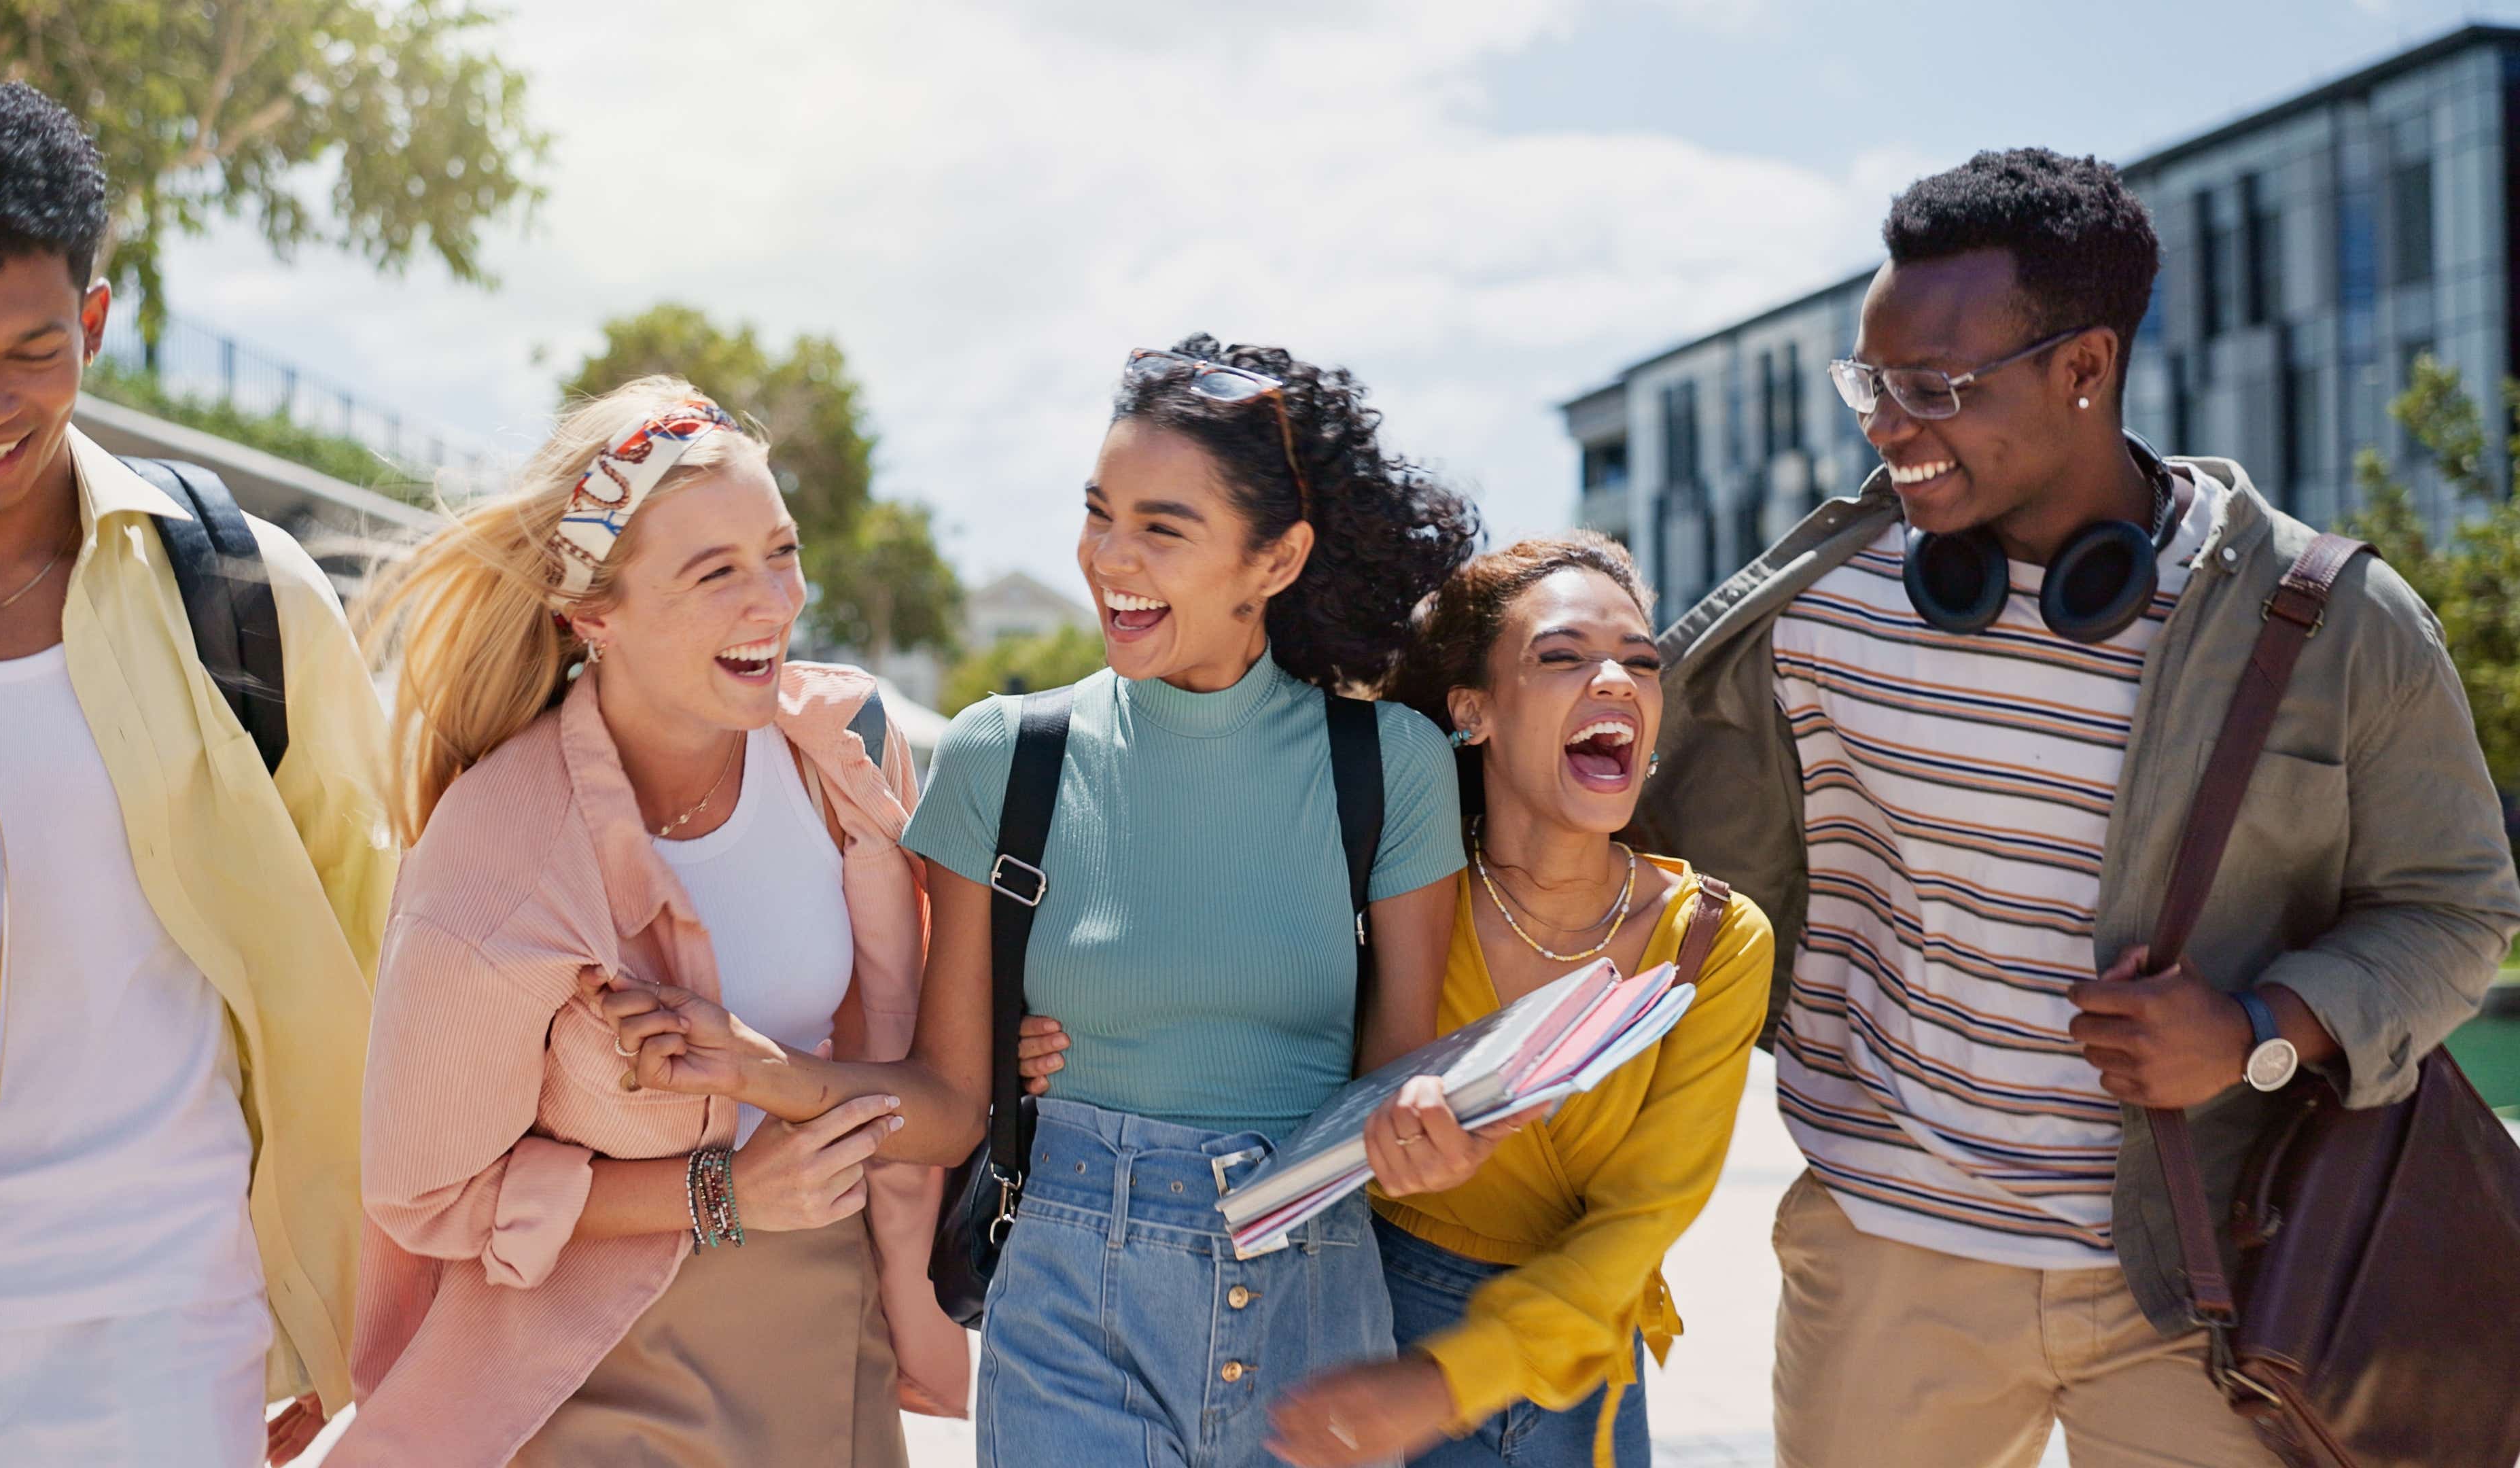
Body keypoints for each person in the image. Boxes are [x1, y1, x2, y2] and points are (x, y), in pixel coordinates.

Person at [1630, 148, 2520, 1467]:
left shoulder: (2331, 626)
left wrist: (2257, 1032)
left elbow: (2452, 911)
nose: (1883, 425)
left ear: (2082, 366)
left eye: (1931, 389)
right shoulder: (1811, 612)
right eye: (1866, 383)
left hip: (2207, 1272)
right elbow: (1656, 865)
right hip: (1884, 1257)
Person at [605, 335, 1513, 1467]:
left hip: (1316, 1321)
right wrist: (759, 1071)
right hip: (1071, 1309)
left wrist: (1435, 1136)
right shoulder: (1005, 756)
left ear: (1275, 561)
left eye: (1161, 529)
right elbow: (948, 1106)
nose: (1109, 559)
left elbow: (1393, 1075)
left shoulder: (1390, 766)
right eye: (1098, 512)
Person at [0, 77, 396, 1466]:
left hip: (156, 1329)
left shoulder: (247, 597)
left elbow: (369, 945)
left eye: (33, 351)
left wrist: (325, 1306)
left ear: (94, 322)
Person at [336, 377, 966, 1467]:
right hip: (596, 1368)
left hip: (833, 1337)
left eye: (780, 551)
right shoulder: (501, 853)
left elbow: (928, 1088)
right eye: (715, 572)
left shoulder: (846, 759)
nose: (772, 601)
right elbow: (426, 1195)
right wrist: (719, 1194)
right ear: (594, 616)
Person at [1243, 535, 1772, 1468]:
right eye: (1562, 656)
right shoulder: (1398, 893)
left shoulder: (1714, 941)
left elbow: (1638, 1223)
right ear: (1472, 710)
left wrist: (1447, 1382)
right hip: (1360, 1331)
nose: (1615, 679)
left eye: (1641, 663)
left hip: (1576, 1368)